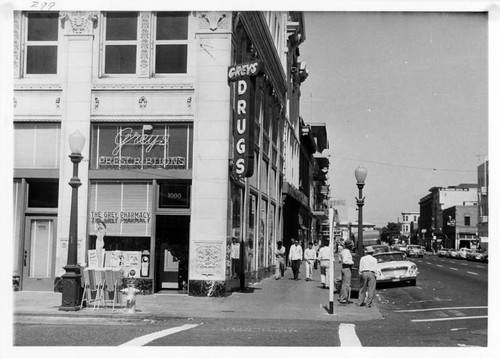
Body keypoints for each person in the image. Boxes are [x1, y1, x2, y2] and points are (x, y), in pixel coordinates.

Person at [339, 240, 354, 304]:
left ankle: (346, 298)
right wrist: (352, 262)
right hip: (347, 268)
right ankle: (344, 299)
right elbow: (345, 261)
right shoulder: (346, 252)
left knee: (346, 283)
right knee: (346, 284)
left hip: (344, 268)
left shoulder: (343, 251)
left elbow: (340, 260)